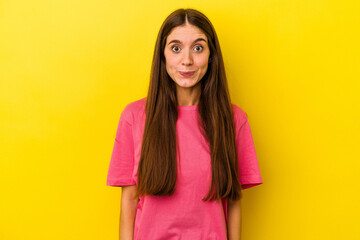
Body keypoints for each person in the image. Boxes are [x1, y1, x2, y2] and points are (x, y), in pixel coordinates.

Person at [106, 8, 263, 240]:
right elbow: (128, 200)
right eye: (176, 48)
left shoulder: (234, 120)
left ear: (211, 55)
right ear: (163, 55)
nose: (187, 60)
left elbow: (233, 202)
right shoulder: (134, 117)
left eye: (198, 48)